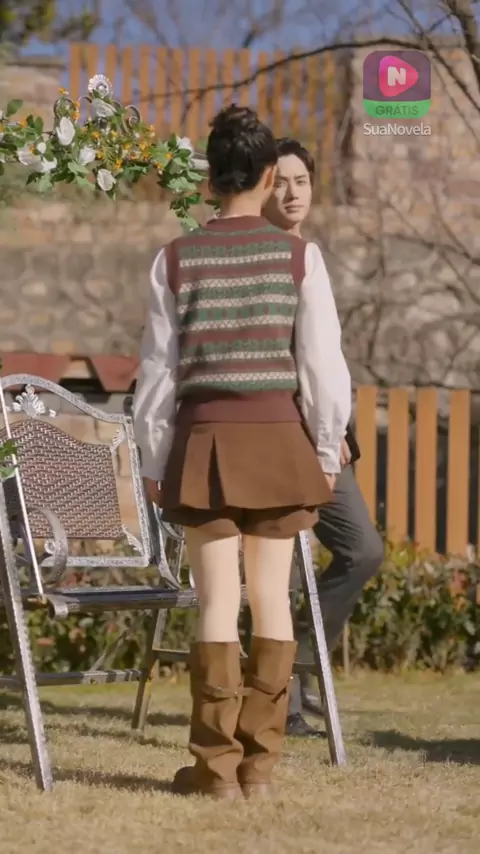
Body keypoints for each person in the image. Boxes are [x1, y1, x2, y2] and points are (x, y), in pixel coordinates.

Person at [133, 106, 351, 799]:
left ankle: (214, 769)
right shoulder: (299, 257)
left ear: (210, 178)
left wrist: (152, 460)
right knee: (272, 599)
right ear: (265, 176)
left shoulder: (173, 259)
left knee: (216, 601)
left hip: (204, 444)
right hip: (279, 442)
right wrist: (326, 447)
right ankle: (258, 767)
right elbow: (323, 366)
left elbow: (157, 375)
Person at [263, 137, 384, 738]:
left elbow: (323, 356)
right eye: (281, 181)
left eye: (302, 181)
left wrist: (333, 430)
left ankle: (304, 664)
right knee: (282, 571)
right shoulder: (260, 258)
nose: (292, 193)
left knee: (363, 550)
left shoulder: (309, 254)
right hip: (276, 438)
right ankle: (279, 701)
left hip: (326, 439)